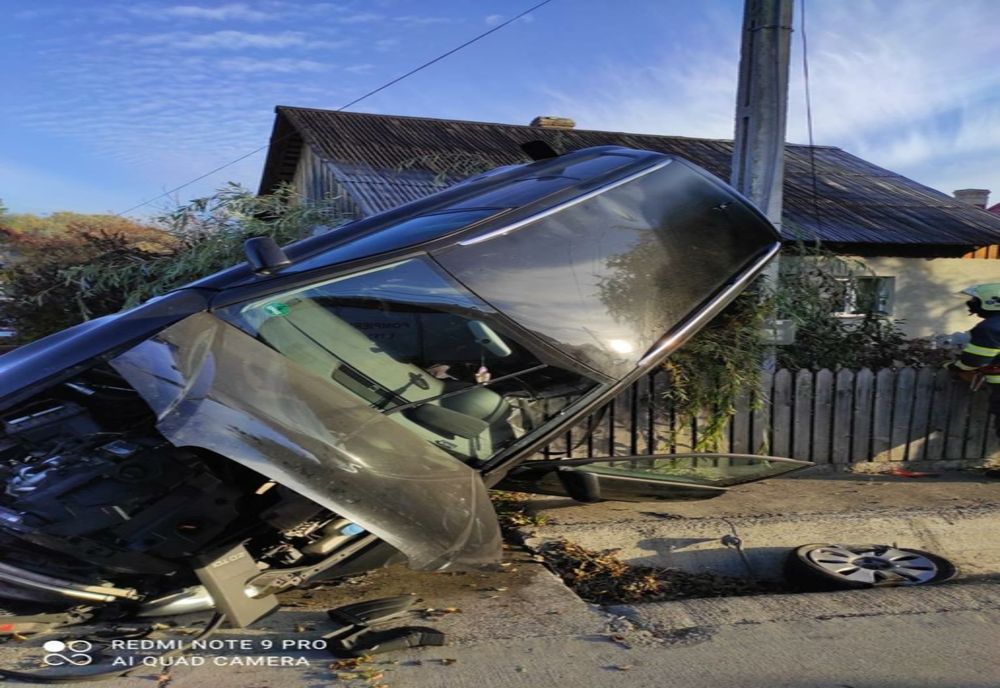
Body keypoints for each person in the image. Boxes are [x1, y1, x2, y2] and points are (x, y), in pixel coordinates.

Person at [948, 283, 1000, 438]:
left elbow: (975, 360)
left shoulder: (990, 328)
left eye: (975, 299)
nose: (971, 303)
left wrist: (955, 366)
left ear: (992, 301)